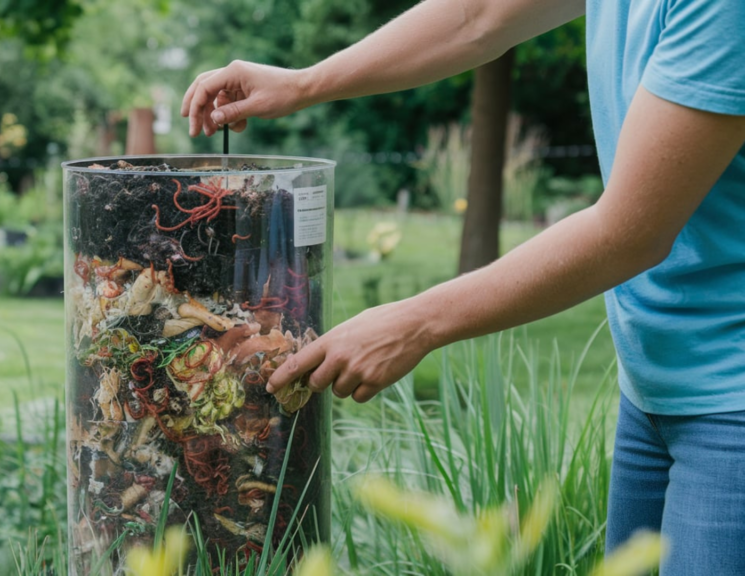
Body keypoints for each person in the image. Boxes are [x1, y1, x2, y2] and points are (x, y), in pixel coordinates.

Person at [182, 0, 745, 572]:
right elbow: (479, 15)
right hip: (655, 381)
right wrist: (304, 83)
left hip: (731, 399)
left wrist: (418, 323)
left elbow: (630, 233)